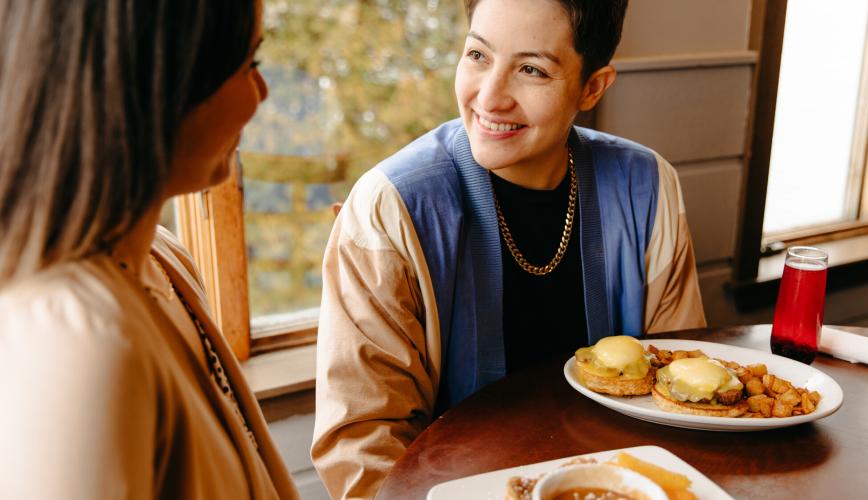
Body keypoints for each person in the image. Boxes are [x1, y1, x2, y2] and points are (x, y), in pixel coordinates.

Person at [312, 0, 706, 497]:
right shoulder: (392, 206)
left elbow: (685, 399)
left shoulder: (647, 188)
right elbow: (363, 447)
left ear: (592, 87)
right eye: (478, 55)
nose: (490, 97)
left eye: (530, 69)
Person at [0, 1, 299, 498]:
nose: (260, 95)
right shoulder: (74, 344)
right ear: (153, 86)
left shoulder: (163, 258)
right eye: (249, 65)